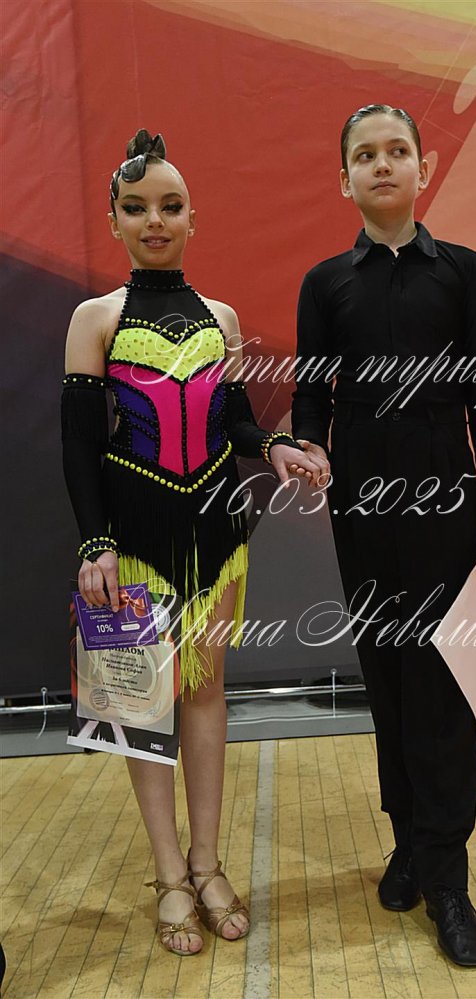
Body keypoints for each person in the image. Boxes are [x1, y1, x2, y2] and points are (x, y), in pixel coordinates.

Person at [61, 129, 326, 957]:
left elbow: (234, 419)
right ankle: (170, 872)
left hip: (216, 536)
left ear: (192, 218)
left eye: (170, 206)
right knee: (145, 707)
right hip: (134, 542)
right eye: (136, 207)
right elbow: (78, 445)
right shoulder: (96, 318)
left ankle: (209, 863)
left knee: (205, 694)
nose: (155, 220)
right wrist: (95, 544)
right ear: (113, 219)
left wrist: (273, 447)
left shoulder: (222, 317)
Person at [290, 104, 476, 967]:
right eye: (365, 155)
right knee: (387, 675)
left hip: (446, 502)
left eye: (397, 151)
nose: (381, 165)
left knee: (442, 684)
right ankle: (410, 844)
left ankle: (448, 875)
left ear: (424, 168)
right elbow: (311, 394)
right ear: (342, 178)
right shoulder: (325, 284)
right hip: (361, 505)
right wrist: (308, 443)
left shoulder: (464, 271)